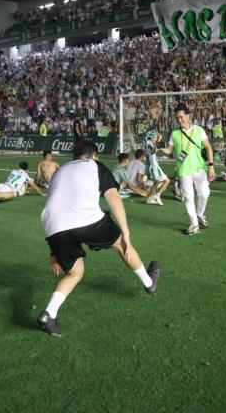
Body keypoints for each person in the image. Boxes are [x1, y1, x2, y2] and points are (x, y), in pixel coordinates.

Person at [36, 141, 160, 337]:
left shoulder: (59, 172)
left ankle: (49, 313)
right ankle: (148, 282)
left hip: (53, 227)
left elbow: (55, 208)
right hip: (85, 219)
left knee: (75, 272)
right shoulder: (95, 165)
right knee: (120, 244)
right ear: (93, 155)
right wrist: (125, 231)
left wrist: (53, 253)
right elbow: (113, 197)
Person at [159, 104, 215, 235]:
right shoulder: (175, 134)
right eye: (177, 118)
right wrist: (158, 148)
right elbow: (168, 150)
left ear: (188, 116)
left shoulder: (199, 130)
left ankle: (199, 215)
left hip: (199, 168)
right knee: (189, 197)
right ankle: (194, 224)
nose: (179, 120)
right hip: (183, 170)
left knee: (204, 194)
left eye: (181, 117)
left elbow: (208, 148)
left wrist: (211, 166)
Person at [144, 130, 170, 205]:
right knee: (167, 181)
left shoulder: (149, 143)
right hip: (154, 167)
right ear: (151, 137)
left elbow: (156, 148)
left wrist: (158, 141)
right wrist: (159, 140)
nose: (156, 138)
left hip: (153, 166)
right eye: (155, 137)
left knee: (157, 182)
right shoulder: (149, 144)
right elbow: (154, 150)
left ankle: (150, 198)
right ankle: (157, 195)